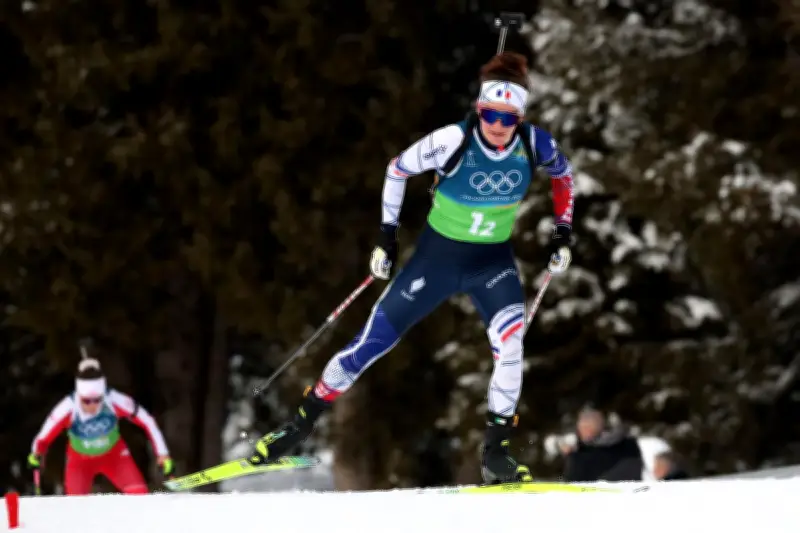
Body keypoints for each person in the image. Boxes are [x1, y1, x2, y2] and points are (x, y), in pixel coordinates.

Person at [250, 51, 576, 484]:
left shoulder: (536, 144)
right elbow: (397, 170)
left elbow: (564, 177)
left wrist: (563, 231)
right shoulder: (450, 141)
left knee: (511, 348)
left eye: (508, 117)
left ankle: (496, 452)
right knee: (373, 342)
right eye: (490, 114)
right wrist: (387, 237)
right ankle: (299, 425)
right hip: (436, 260)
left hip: (491, 263)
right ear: (479, 110)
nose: (497, 125)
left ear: (519, 117)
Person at [28, 357, 174, 494]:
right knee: (74, 507)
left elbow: (147, 420)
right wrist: (36, 453)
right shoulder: (67, 408)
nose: (93, 405)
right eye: (87, 401)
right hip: (80, 461)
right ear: (79, 395)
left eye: (97, 399)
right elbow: (42, 439)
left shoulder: (114, 399)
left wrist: (163, 454)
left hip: (114, 456)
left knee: (140, 496)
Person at [562, 408, 644, 482]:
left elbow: (575, 480)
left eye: (584, 428)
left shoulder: (586, 455)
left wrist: (572, 456)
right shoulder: (627, 443)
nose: (580, 433)